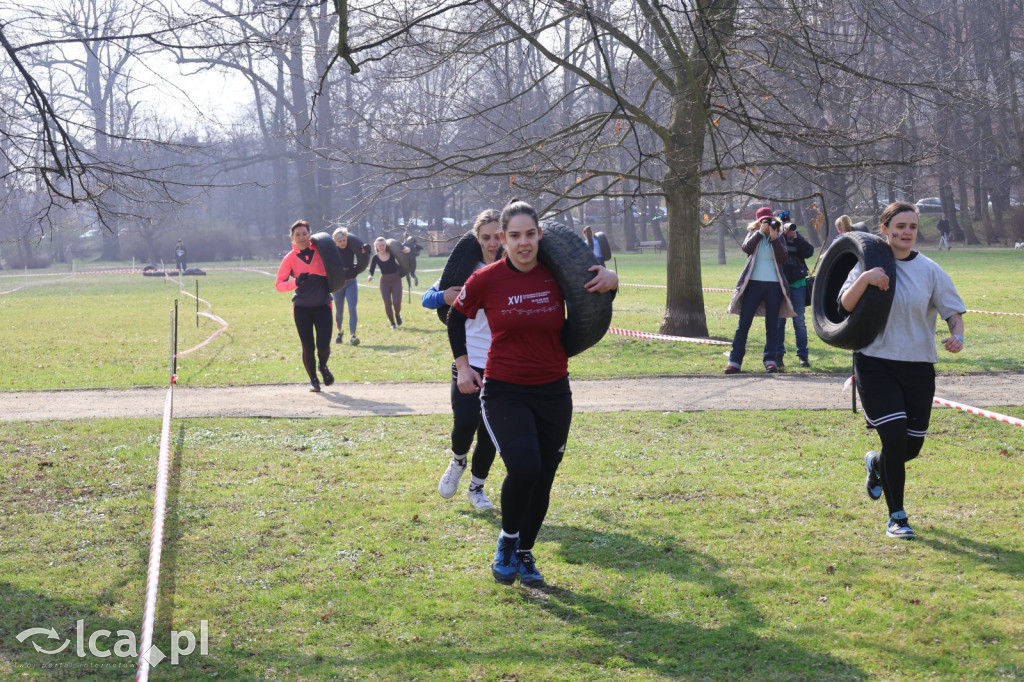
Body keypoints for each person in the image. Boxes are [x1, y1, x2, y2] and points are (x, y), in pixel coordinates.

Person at [448, 199, 618, 587]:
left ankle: (526, 553)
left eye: (529, 234)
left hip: (554, 389)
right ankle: (507, 543)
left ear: (540, 235)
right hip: (505, 389)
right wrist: (462, 366)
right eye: (514, 236)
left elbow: (595, 292)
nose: (523, 243)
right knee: (525, 467)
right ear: (502, 241)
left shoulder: (557, 273)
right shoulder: (486, 279)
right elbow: (456, 317)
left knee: (544, 477)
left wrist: (613, 280)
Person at [838, 201, 965, 540]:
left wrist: (958, 335)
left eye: (912, 226)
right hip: (876, 363)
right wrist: (865, 278)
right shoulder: (870, 264)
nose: (907, 232)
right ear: (885, 229)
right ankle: (897, 517)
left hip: (918, 366)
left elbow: (952, 311)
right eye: (900, 226)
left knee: (910, 448)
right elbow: (844, 305)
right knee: (893, 439)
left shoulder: (931, 270)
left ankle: (877, 466)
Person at [422, 209, 503, 510]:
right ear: (476, 238)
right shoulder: (465, 269)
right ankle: (457, 460)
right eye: (486, 237)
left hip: (502, 363)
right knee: (466, 421)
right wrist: (443, 297)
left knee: (491, 432)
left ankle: (477, 488)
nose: (492, 243)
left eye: (497, 236)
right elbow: (427, 298)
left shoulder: (514, 269)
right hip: (468, 359)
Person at [725, 207, 796, 374]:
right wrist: (760, 233)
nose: (767, 223)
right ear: (758, 222)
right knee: (744, 324)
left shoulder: (778, 236)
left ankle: (770, 360)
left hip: (774, 286)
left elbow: (783, 257)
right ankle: (734, 361)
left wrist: (773, 238)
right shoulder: (753, 233)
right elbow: (746, 249)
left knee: (772, 325)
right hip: (753, 285)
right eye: (763, 221)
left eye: (769, 220)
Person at [275, 220, 335, 393]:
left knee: (324, 346)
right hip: (302, 309)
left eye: (304, 233)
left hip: (323, 305)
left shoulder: (322, 251)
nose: (301, 237)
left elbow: (339, 268)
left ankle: (323, 367)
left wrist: (360, 255)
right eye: (297, 234)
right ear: (292, 238)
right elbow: (279, 285)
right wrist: (295, 282)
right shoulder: (290, 259)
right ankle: (313, 380)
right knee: (308, 347)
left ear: (310, 235)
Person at [774, 212, 815, 369]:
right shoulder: (777, 239)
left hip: (798, 284)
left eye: (789, 224)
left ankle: (803, 356)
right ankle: (778, 355)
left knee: (799, 321)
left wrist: (796, 237)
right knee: (779, 322)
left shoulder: (797, 238)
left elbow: (809, 252)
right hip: (780, 284)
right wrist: (781, 236)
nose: (788, 227)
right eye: (784, 225)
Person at [332, 227, 362, 346]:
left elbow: (362, 256)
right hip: (338, 284)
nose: (342, 243)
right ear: (336, 242)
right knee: (339, 310)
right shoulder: (333, 251)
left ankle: (353, 335)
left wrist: (364, 250)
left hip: (351, 282)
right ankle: (339, 332)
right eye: (339, 241)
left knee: (352, 308)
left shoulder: (351, 248)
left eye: (344, 240)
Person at [367, 237, 406, 329]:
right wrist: (370, 276)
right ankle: (392, 322)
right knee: (387, 303)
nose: (382, 247)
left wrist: (406, 249)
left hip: (396, 280)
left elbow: (401, 252)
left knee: (397, 302)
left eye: (383, 245)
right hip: (384, 282)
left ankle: (397, 314)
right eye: (379, 245)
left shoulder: (392, 254)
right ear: (376, 246)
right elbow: (371, 270)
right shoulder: (375, 258)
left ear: (386, 245)